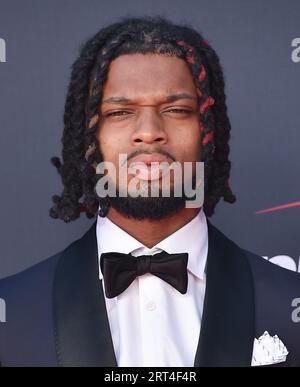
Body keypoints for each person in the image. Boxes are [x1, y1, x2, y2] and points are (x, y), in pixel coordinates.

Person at [0, 16, 299, 367]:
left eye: (175, 110)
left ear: (208, 131)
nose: (149, 132)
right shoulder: (11, 312)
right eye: (121, 112)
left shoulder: (289, 300)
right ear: (88, 138)